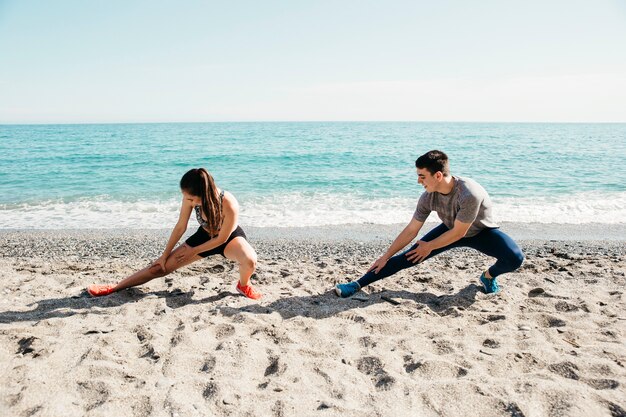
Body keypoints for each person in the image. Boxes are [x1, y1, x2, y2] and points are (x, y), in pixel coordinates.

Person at [335, 150, 523, 298]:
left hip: (481, 232)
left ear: (438, 175)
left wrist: (430, 246)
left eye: (422, 176)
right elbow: (411, 230)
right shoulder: (427, 198)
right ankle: (356, 284)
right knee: (407, 257)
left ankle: (488, 276)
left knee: (515, 258)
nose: (418, 181)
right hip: (450, 228)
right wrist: (386, 256)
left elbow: (460, 232)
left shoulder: (468, 194)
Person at [87, 168, 262, 300]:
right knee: (159, 268)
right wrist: (164, 256)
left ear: (204, 194)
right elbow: (180, 226)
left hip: (229, 239)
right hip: (203, 237)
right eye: (186, 198)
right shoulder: (190, 198)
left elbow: (222, 238)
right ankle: (115, 287)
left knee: (249, 260)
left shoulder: (228, 202)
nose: (188, 201)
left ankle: (243, 285)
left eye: (192, 199)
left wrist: (193, 251)